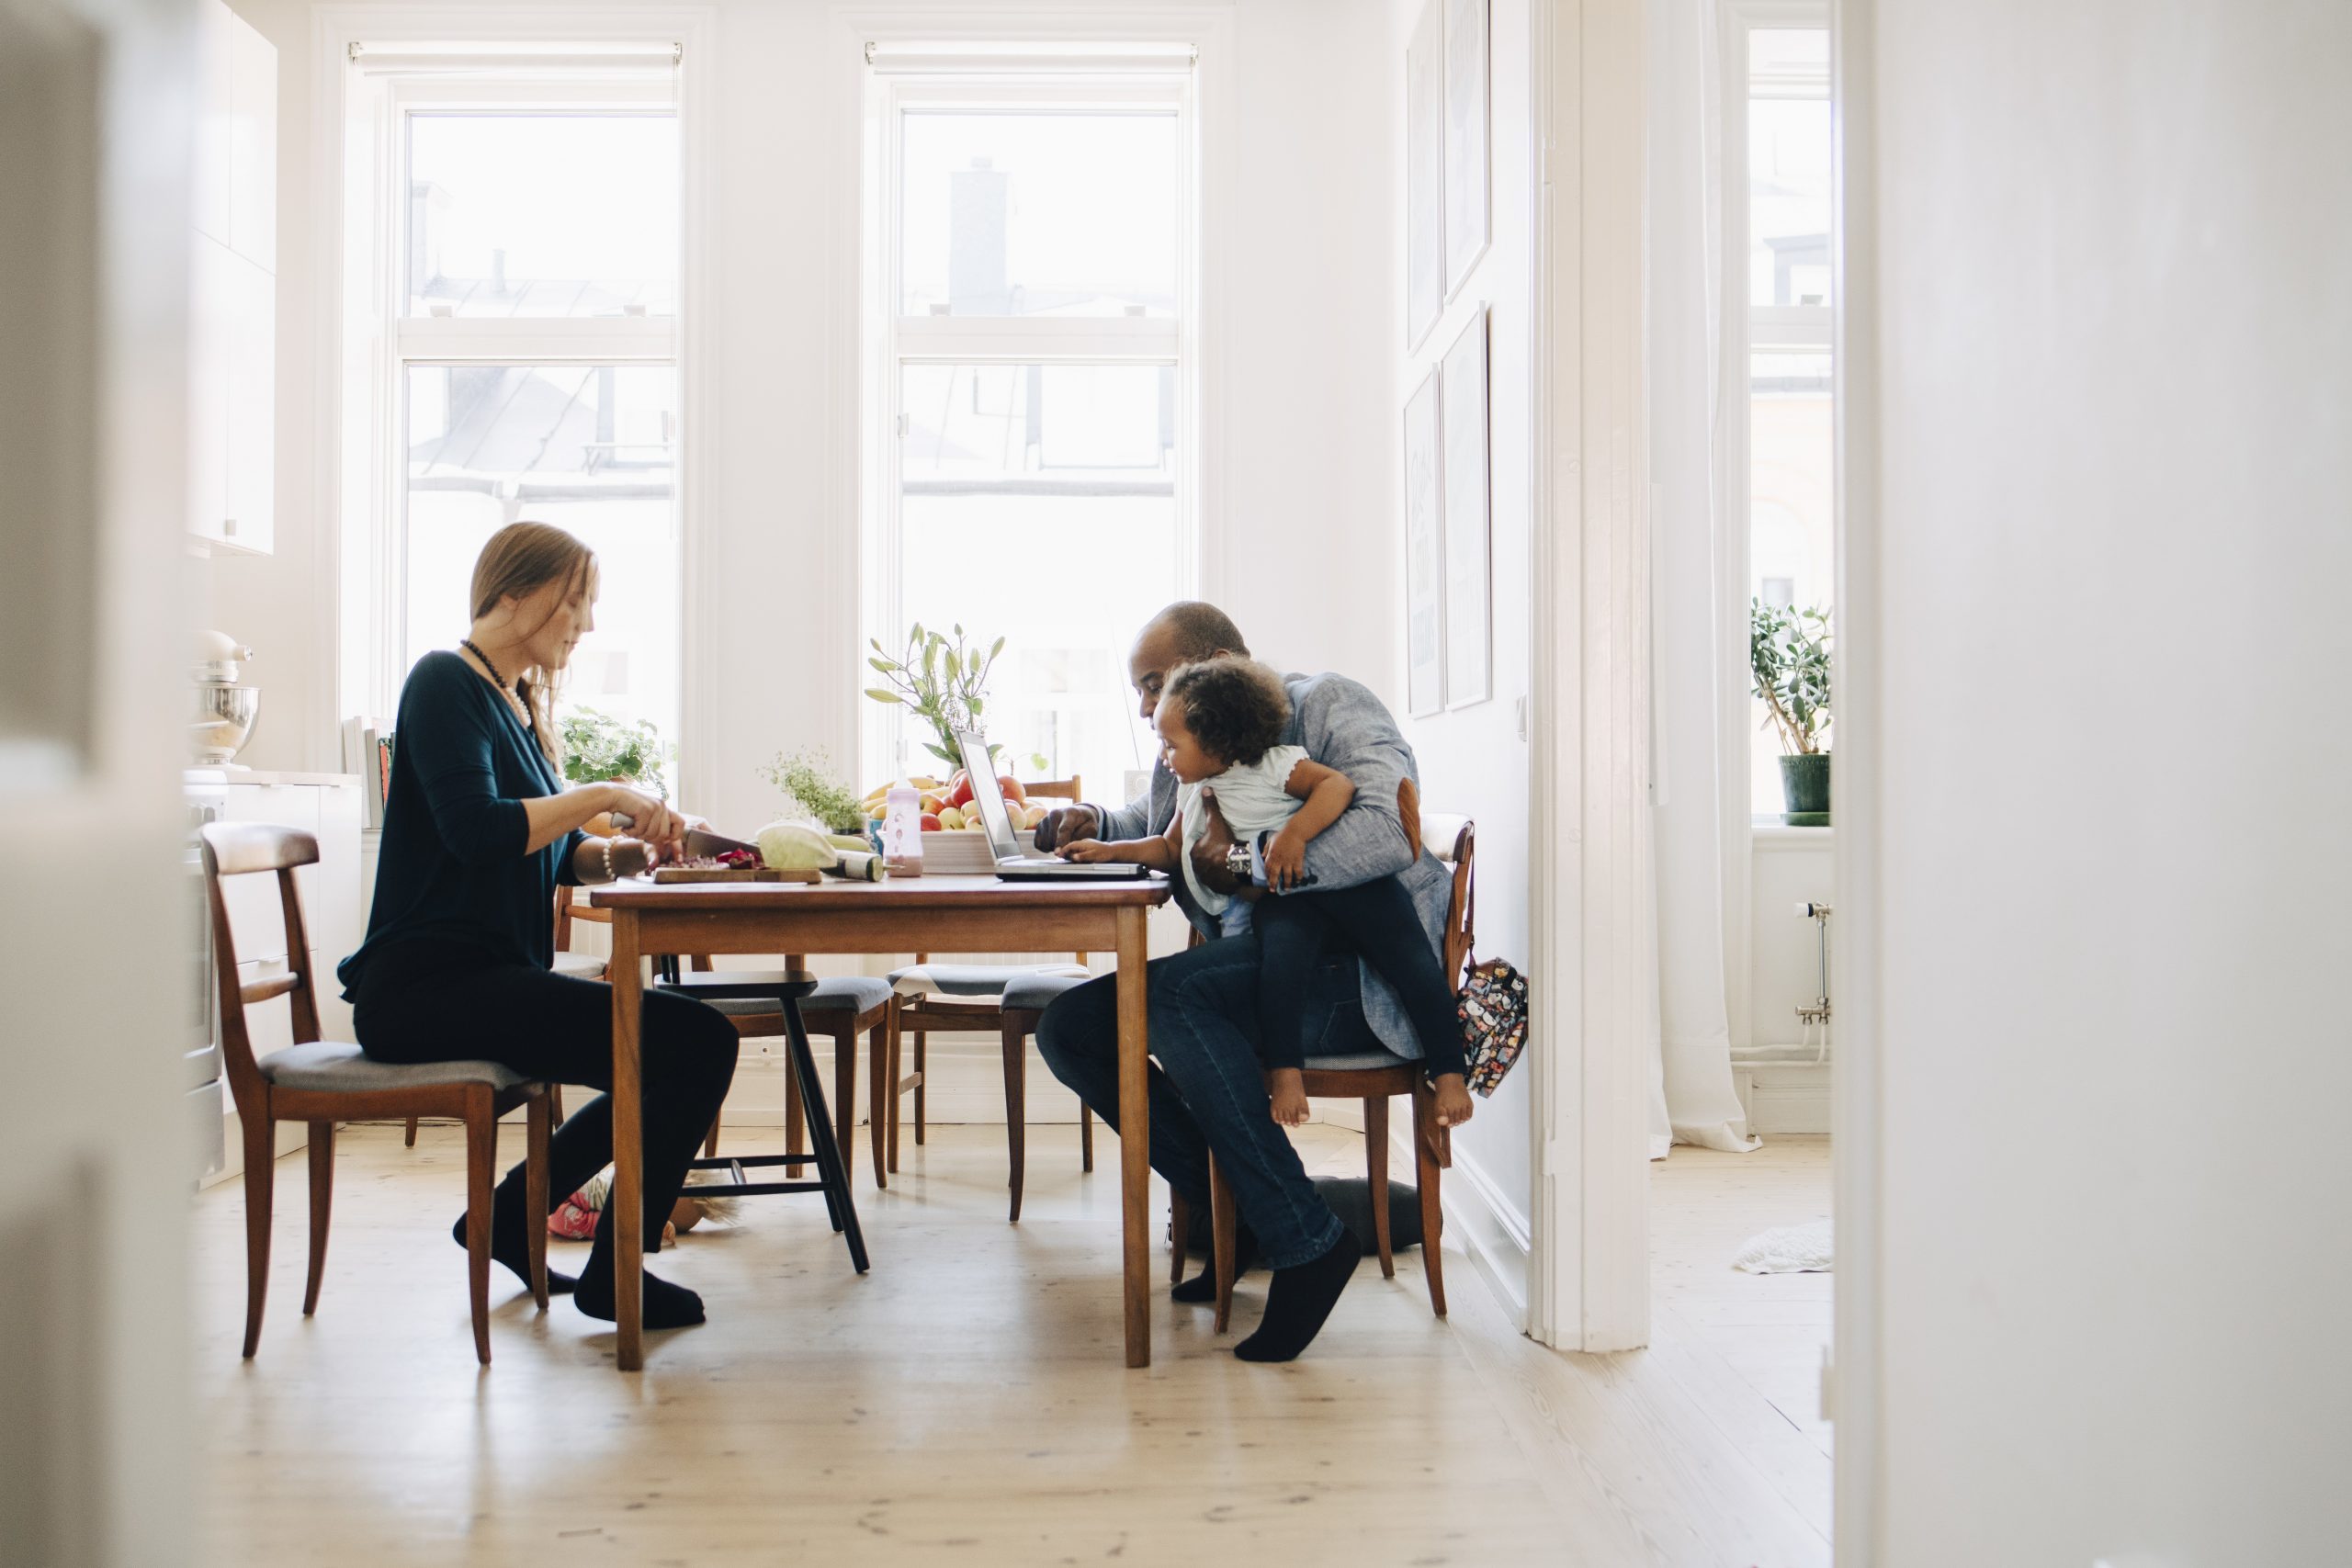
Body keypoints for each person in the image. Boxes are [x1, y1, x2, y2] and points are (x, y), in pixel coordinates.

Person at [1031, 603, 1464, 1362]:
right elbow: (1162, 815)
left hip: (1347, 981)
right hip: (1270, 962)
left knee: (1171, 998)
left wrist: (1243, 862)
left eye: (1154, 684)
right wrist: (1091, 817)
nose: (1143, 708)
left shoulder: (1329, 704)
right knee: (1070, 1027)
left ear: (1220, 666)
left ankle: (1302, 1237)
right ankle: (1247, 1211)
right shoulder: (1199, 743)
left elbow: (1386, 825)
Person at [336, 522, 738, 1332]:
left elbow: (556, 861)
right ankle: (608, 1269)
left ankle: (518, 1213)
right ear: (513, 594)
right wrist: (600, 792)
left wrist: (634, 854)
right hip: (426, 988)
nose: (584, 623)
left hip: (483, 980)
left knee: (681, 1046)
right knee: (697, 1044)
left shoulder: (511, 703)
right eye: (575, 599)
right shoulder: (442, 682)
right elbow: (479, 831)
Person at [1059, 655, 1475, 1132]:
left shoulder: (1273, 764)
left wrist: (1293, 835)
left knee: (1410, 958)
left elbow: (1336, 787)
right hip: (1283, 899)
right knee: (1280, 967)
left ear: (1214, 739)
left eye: (1170, 744)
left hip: (1353, 890)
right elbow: (1169, 846)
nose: (1163, 756)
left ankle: (1449, 1071)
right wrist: (1109, 851)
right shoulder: (1194, 788)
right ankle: (1286, 1073)